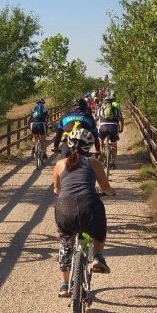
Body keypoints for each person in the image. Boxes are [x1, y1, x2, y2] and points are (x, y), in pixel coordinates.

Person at [53, 127, 116, 297]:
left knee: (65, 244)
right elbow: (105, 187)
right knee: (99, 227)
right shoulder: (94, 162)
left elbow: (57, 190)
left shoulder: (60, 164)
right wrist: (111, 192)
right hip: (89, 207)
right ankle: (98, 257)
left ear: (69, 144)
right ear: (88, 146)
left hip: (65, 209)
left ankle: (64, 285)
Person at [97, 93, 124, 162]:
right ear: (111, 102)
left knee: (101, 140)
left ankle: (102, 153)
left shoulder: (100, 109)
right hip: (113, 128)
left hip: (103, 128)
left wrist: (95, 127)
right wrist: (121, 129)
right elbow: (121, 119)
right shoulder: (116, 109)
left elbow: (96, 119)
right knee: (114, 144)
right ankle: (113, 161)